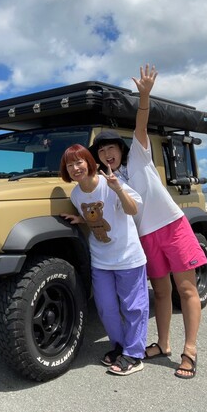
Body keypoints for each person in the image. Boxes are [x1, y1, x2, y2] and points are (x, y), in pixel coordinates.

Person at [89, 64, 206, 379]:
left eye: (111, 147)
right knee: (162, 293)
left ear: (120, 149)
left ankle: (190, 351)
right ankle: (164, 344)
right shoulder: (111, 179)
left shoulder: (139, 156)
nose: (106, 154)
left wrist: (144, 97)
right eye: (101, 151)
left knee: (186, 289)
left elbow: (142, 123)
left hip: (172, 226)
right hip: (145, 237)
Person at [59, 144, 149, 376]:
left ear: (90, 162)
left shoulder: (109, 184)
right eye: (70, 165)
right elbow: (96, 215)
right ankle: (119, 346)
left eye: (79, 162)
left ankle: (134, 354)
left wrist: (118, 188)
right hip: (101, 259)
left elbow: (132, 210)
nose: (75, 168)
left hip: (128, 256)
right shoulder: (76, 194)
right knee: (106, 307)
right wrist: (81, 219)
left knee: (133, 307)